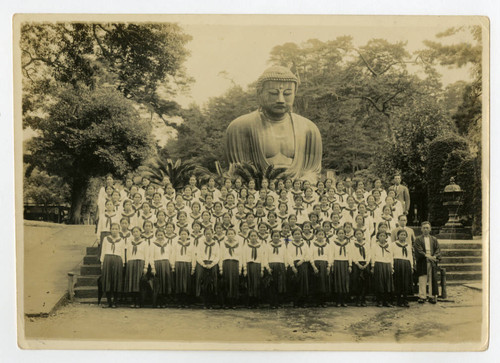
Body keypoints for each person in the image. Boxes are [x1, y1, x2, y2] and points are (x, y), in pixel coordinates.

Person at [225, 66, 322, 182]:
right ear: (259, 93)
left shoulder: (309, 129)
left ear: (294, 94)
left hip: (297, 190)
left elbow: (312, 172)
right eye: (273, 93)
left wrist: (302, 183)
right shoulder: (239, 127)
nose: (281, 99)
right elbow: (238, 173)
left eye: (287, 94)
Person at [414, 222, 441, 304]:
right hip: (423, 260)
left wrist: (434, 257)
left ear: (430, 229)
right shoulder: (418, 239)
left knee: (432, 278)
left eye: (427, 228)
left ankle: (431, 296)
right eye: (424, 228)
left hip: (432, 260)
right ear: (421, 229)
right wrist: (427, 256)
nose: (425, 229)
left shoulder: (434, 239)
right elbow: (418, 250)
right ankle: (422, 296)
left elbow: (438, 250)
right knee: (422, 278)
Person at [99, 223, 125, 308]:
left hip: (117, 260)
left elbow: (122, 252)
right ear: (110, 230)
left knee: (116, 280)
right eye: (113, 229)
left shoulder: (121, 240)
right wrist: (102, 262)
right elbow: (103, 251)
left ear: (119, 230)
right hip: (107, 259)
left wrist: (123, 263)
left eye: (116, 229)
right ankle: (109, 301)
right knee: (108, 280)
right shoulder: (106, 239)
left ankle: (115, 302)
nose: (114, 230)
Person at [124, 226, 149, 308]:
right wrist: (128, 263)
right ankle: (133, 300)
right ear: (132, 233)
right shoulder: (129, 242)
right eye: (134, 232)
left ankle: (138, 301)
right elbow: (127, 254)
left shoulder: (144, 243)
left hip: (140, 263)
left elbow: (146, 255)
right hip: (131, 263)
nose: (135, 233)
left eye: (137, 231)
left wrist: (145, 266)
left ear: (140, 233)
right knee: (132, 282)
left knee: (138, 282)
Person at [195, 228, 220, 309]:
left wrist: (212, 264)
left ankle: (211, 303)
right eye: (206, 234)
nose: (208, 236)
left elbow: (217, 256)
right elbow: (198, 255)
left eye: (210, 234)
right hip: (203, 264)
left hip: (212, 264)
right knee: (203, 284)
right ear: (204, 235)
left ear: (213, 234)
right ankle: (204, 303)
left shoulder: (216, 244)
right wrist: (203, 264)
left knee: (212, 283)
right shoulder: (201, 244)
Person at [242, 230, 268, 308]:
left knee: (257, 284)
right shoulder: (246, 246)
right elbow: (244, 258)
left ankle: (256, 302)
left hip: (257, 266)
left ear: (257, 237)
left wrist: (262, 269)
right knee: (250, 284)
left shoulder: (261, 247)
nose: (253, 237)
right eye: (251, 236)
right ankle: (250, 302)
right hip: (249, 265)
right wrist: (245, 269)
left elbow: (263, 258)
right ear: (249, 237)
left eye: (255, 236)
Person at [171, 228, 196, 308]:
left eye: (185, 234)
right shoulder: (176, 244)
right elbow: (173, 255)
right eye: (182, 234)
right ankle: (179, 301)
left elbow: (193, 256)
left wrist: (193, 267)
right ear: (179, 235)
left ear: (188, 235)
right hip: (178, 264)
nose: (183, 235)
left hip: (187, 264)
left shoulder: (191, 245)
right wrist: (173, 266)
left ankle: (186, 301)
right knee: (179, 283)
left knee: (186, 283)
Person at [286, 228, 311, 308]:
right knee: (294, 283)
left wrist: (303, 260)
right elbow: (288, 255)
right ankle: (295, 302)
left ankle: (302, 302)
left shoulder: (305, 244)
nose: (297, 236)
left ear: (301, 235)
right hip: (293, 265)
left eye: (299, 234)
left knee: (303, 284)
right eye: (295, 234)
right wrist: (292, 266)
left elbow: (308, 254)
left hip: (302, 264)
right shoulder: (290, 245)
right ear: (293, 236)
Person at [219, 228, 243, 309]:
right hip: (226, 264)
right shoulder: (223, 244)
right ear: (226, 235)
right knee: (226, 284)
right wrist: (221, 268)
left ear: (234, 235)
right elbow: (221, 256)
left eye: (232, 234)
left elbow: (240, 257)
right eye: (229, 234)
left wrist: (240, 268)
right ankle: (226, 303)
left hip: (235, 264)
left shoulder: (238, 245)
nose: (230, 235)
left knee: (234, 284)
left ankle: (233, 303)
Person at [150, 228, 173, 308]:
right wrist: (153, 267)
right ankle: (157, 301)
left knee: (165, 283)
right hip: (157, 264)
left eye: (161, 235)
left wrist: (171, 265)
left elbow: (170, 255)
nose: (160, 236)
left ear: (164, 235)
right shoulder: (153, 245)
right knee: (158, 284)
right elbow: (151, 257)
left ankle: (164, 302)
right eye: (158, 235)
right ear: (156, 235)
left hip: (166, 265)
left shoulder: (168, 245)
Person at [371, 231, 394, 307]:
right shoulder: (374, 246)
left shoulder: (389, 246)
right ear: (378, 237)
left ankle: (386, 301)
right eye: (380, 236)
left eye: (384, 236)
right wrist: (373, 266)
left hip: (387, 264)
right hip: (378, 264)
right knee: (379, 283)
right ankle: (379, 300)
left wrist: (391, 267)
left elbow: (391, 257)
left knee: (387, 283)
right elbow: (373, 256)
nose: (382, 237)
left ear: (386, 237)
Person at [310, 228, 331, 307]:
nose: (321, 236)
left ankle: (323, 301)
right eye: (319, 234)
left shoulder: (327, 245)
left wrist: (329, 266)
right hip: (316, 264)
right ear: (316, 235)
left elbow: (330, 256)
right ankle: (317, 302)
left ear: (324, 236)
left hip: (324, 264)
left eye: (322, 234)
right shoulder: (313, 244)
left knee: (324, 283)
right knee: (316, 283)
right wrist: (313, 266)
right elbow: (310, 256)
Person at [350, 228, 371, 307]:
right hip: (357, 264)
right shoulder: (352, 244)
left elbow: (369, 254)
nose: (359, 236)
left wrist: (367, 263)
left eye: (360, 234)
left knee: (365, 281)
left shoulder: (367, 244)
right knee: (357, 282)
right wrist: (357, 263)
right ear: (355, 236)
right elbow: (352, 255)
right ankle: (358, 299)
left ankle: (363, 298)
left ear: (363, 235)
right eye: (357, 234)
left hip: (365, 264)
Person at [393, 229, 414, 307]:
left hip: (406, 264)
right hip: (397, 263)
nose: (403, 236)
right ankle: (398, 300)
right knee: (398, 282)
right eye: (401, 234)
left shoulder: (408, 245)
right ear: (398, 236)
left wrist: (411, 266)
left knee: (406, 282)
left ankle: (405, 299)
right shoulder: (393, 244)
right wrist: (392, 266)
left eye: (404, 235)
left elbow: (410, 256)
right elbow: (391, 255)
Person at [266, 230, 287, 308]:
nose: (276, 237)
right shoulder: (268, 246)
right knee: (272, 285)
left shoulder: (283, 245)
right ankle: (272, 303)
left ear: (280, 237)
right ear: (271, 237)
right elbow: (265, 257)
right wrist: (268, 268)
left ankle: (279, 303)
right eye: (274, 236)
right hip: (272, 266)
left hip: (281, 265)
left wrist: (285, 266)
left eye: (277, 236)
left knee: (280, 285)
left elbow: (285, 256)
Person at [332, 228, 351, 307]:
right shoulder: (333, 243)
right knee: (338, 282)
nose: (341, 235)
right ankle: (338, 300)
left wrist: (350, 265)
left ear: (344, 234)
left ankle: (344, 300)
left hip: (345, 263)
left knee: (344, 282)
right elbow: (332, 255)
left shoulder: (348, 244)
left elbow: (350, 255)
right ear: (337, 234)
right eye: (339, 233)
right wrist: (332, 265)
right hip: (337, 263)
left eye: (342, 233)